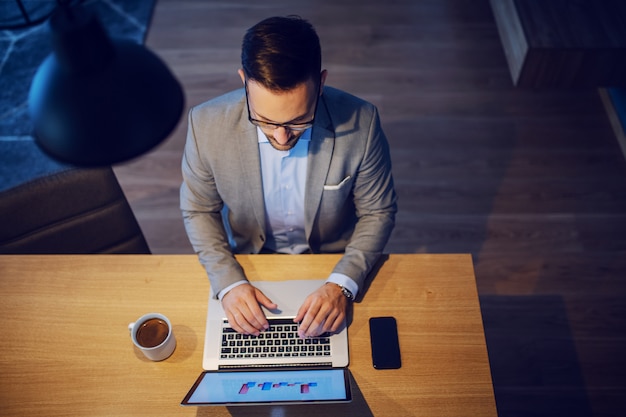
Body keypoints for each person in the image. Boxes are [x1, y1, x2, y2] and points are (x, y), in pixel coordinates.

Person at [180, 15, 397, 339]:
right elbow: (198, 209)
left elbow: (377, 211)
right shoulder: (205, 125)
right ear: (244, 81)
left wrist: (342, 283)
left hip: (333, 260)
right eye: (264, 120)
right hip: (251, 262)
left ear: (320, 83)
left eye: (298, 121)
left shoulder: (362, 124)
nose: (281, 138)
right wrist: (228, 283)